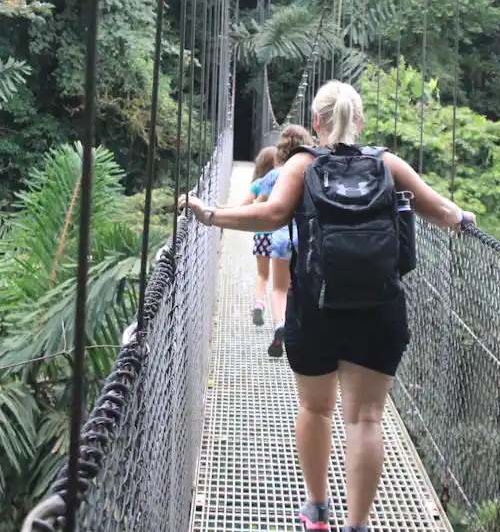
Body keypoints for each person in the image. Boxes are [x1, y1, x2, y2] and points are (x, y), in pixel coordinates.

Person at [181, 80, 475, 532]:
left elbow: (272, 214)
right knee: (366, 418)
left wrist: (210, 214)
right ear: (359, 121)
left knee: (316, 409)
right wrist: (463, 220)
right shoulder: (388, 164)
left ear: (315, 122)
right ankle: (358, 525)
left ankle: (316, 511)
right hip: (378, 309)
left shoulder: (301, 164)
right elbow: (438, 209)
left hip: (314, 308)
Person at [256, 124, 313, 357]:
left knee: (279, 289)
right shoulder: (312, 171)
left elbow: (259, 205)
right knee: (301, 288)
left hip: (280, 239)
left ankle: (280, 323)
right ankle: (303, 330)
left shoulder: (272, 176)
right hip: (305, 239)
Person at [244, 145, 277, 326]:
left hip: (262, 236)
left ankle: (259, 304)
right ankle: (283, 315)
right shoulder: (283, 182)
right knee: (284, 280)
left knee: (262, 275)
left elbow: (245, 205)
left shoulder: (257, 185)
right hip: (281, 235)